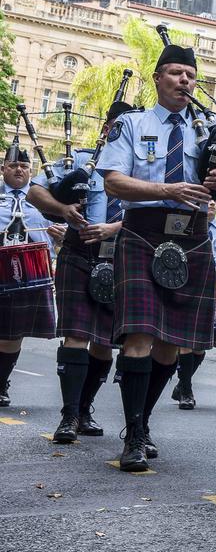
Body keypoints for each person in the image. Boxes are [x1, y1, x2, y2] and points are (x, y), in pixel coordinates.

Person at [98, 42, 216, 473]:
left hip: (194, 237)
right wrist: (168, 190)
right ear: (158, 78)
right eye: (177, 73)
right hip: (144, 232)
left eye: (191, 75)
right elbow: (113, 182)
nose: (186, 81)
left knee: (170, 345)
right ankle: (133, 434)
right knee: (141, 335)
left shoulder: (210, 130)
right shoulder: (131, 124)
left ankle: (142, 423)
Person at [28, 102, 130, 441]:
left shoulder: (142, 169)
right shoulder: (81, 162)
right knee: (77, 334)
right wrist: (63, 209)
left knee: (103, 343)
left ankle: (84, 408)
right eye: (114, 126)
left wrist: (112, 228)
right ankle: (68, 417)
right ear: (105, 129)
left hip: (121, 257)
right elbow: (34, 190)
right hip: (78, 252)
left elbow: (154, 212)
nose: (119, 132)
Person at [0, 145, 61, 408]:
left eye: (24, 166)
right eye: (13, 165)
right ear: (3, 169)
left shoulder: (44, 201)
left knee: (14, 333)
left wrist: (60, 235)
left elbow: (61, 232)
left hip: (29, 274)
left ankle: (1, 383)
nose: (19, 170)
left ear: (30, 172)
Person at [170, 198, 216, 411]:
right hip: (188, 282)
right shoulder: (186, 224)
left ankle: (183, 384)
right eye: (208, 200)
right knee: (187, 337)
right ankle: (186, 390)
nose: (212, 203)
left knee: (202, 344)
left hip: (214, 287)